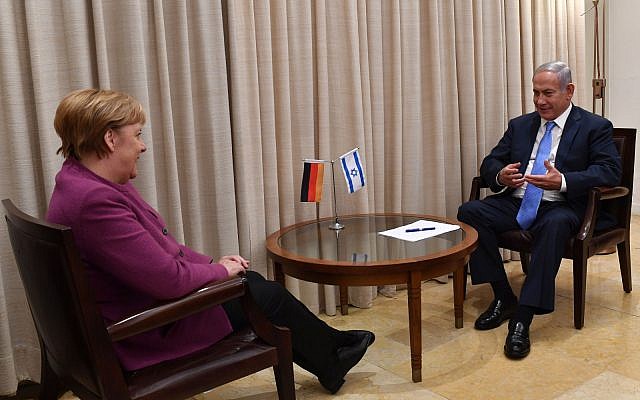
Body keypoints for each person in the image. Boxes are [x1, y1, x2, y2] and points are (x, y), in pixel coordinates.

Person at [46, 88, 374, 394]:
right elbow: (167, 280)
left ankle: (333, 353)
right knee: (263, 295)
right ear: (110, 139)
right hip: (143, 331)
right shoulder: (95, 202)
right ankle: (333, 355)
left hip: (135, 308)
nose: (143, 146)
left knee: (252, 283)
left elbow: (160, 246)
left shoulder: (80, 182)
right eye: (138, 135)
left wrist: (212, 266)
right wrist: (218, 272)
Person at [457, 61, 621, 359]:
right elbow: (490, 162)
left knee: (555, 224)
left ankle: (523, 316)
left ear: (569, 91)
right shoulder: (521, 125)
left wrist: (564, 180)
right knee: (470, 212)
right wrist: (500, 174)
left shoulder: (595, 127)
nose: (539, 101)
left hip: (564, 205)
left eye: (547, 93)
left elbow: (609, 171)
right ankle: (503, 296)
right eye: (535, 93)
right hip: (518, 199)